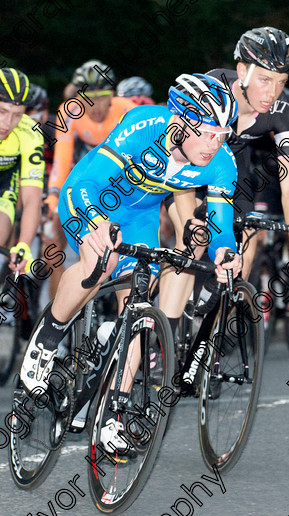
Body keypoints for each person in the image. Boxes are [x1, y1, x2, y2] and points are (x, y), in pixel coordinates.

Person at [20, 73, 242, 452]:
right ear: (182, 120)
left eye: (223, 134)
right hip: (93, 195)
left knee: (139, 309)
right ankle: (48, 337)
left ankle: (113, 417)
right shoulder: (143, 127)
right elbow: (90, 181)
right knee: (100, 262)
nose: (214, 144)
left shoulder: (221, 162)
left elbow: (220, 222)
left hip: (140, 217)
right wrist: (97, 222)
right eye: (208, 132)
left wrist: (225, 251)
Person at [162, 27, 289, 318]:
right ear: (242, 70)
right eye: (265, 80)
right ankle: (162, 330)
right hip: (193, 165)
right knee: (193, 240)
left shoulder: (283, 108)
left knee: (247, 239)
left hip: (235, 165)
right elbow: (181, 149)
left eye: (281, 82)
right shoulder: (214, 85)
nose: (273, 92)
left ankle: (209, 337)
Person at [46, 60, 136, 298]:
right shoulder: (69, 111)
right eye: (88, 98)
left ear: (112, 95)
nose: (95, 105)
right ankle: (58, 312)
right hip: (80, 182)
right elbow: (62, 159)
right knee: (53, 241)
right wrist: (54, 195)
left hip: (118, 184)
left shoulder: (127, 110)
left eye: (102, 97)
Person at [0, 68, 46, 276]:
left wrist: (24, 245)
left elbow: (32, 198)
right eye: (2, 111)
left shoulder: (29, 133)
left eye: (17, 114)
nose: (7, 123)